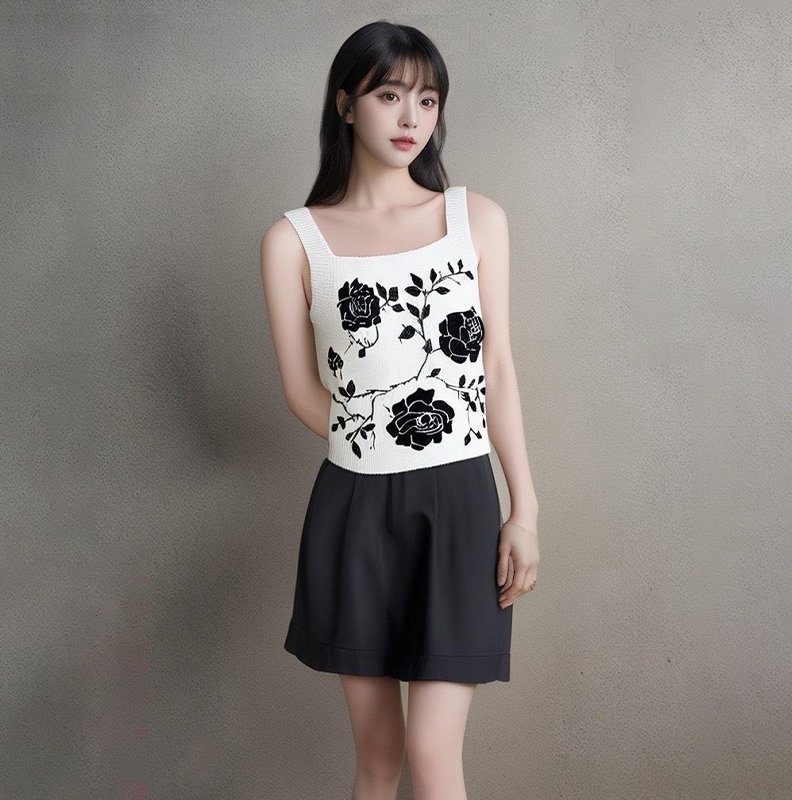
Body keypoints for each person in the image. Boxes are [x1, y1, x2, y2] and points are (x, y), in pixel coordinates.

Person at [261, 20, 540, 800]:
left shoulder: (477, 220)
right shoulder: (293, 241)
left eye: (428, 99)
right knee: (380, 755)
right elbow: (300, 390)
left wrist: (524, 508)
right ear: (346, 104)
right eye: (389, 96)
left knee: (432, 751)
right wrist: (378, 444)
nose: (411, 117)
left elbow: (496, 370)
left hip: (459, 500)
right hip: (354, 504)